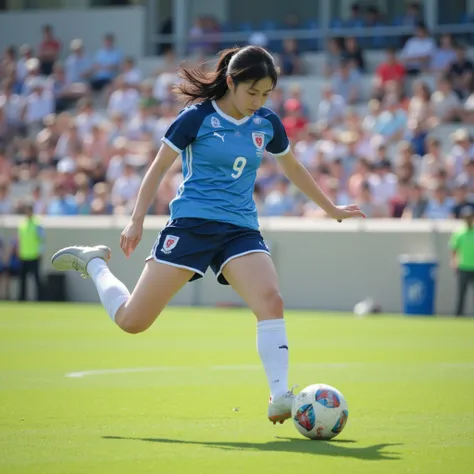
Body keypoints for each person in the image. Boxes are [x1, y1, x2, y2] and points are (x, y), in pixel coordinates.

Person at [50, 46, 365, 424]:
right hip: (192, 226)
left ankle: (280, 395)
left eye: (266, 94)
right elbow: (157, 168)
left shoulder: (266, 123)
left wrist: (330, 209)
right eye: (252, 92)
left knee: (271, 300)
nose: (259, 101)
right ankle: (96, 263)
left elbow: (293, 168)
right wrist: (135, 219)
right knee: (133, 321)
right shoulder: (196, 118)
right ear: (231, 82)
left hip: (240, 228)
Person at [450, 207, 474, 316]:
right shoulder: (459, 233)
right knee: (461, 294)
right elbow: (454, 250)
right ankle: (458, 315)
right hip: (463, 266)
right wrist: (454, 263)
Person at [18, 201, 44, 301]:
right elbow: (20, 239)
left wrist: (40, 251)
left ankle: (40, 299)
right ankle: (22, 299)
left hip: (34, 255)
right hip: (24, 255)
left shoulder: (37, 223)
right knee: (22, 280)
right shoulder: (22, 224)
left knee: (37, 279)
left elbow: (42, 239)